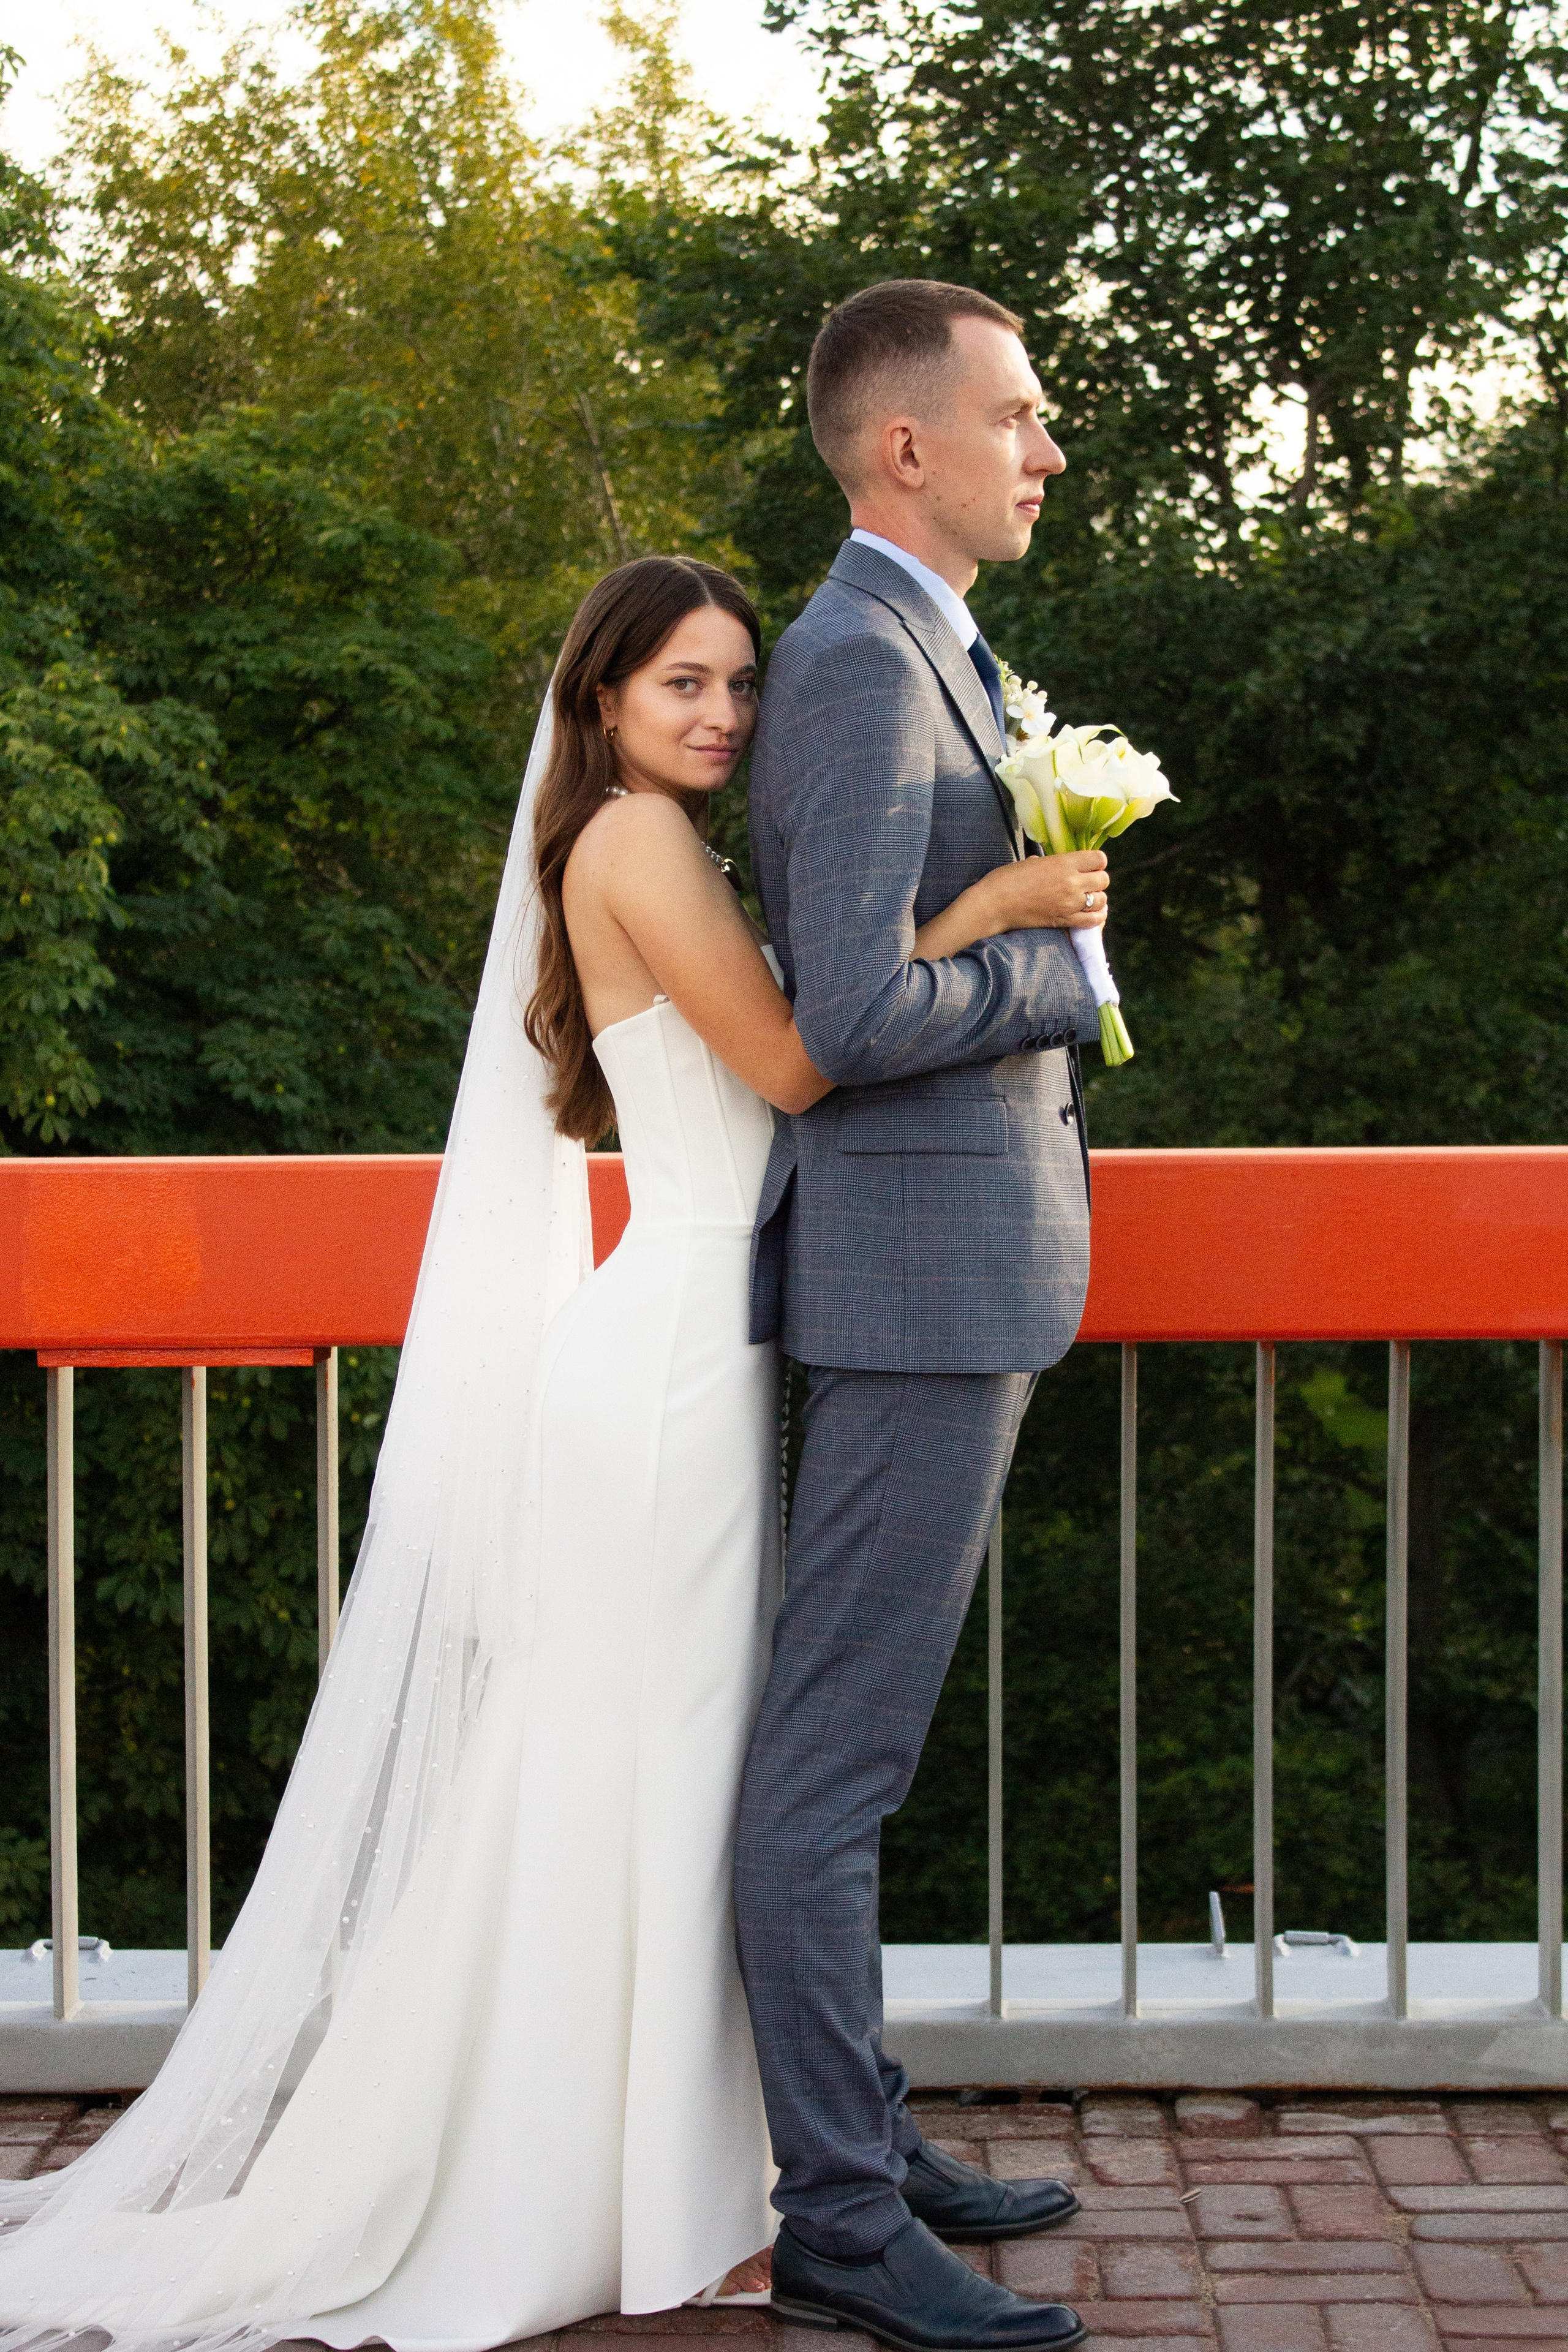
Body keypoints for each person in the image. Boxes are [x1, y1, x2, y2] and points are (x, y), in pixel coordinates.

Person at [0, 549, 1105, 2352]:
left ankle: (758, 2161)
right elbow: (807, 1064)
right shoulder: (636, 849)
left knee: (673, 1775)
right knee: (662, 1773)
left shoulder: (651, 845)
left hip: (695, 1352)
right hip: (668, 1370)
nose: (725, 714)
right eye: (684, 685)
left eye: (739, 685)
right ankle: (671, 2182)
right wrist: (993, 913)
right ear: (600, 702)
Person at [738, 279, 1107, 2351]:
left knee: (856, 1757)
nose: (1044, 450)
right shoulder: (864, 668)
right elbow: (854, 1012)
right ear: (908, 448)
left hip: (963, 1274)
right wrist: (1059, 974)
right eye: (1020, 415)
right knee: (831, 1767)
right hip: (907, 1280)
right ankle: (843, 2216)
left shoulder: (928, 650)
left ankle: (864, 2118)